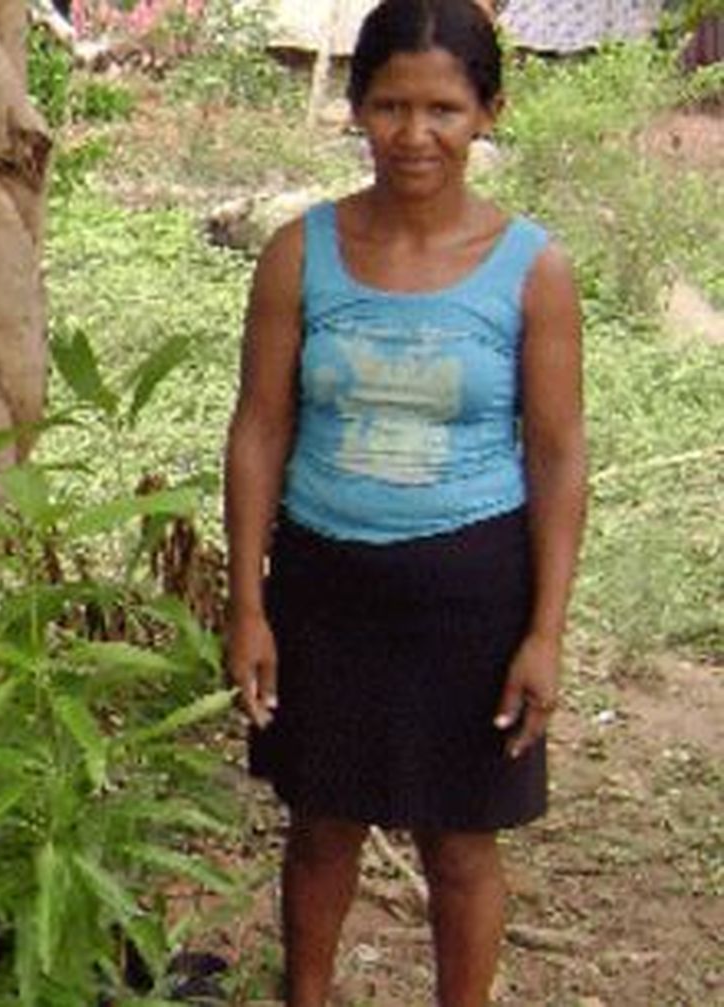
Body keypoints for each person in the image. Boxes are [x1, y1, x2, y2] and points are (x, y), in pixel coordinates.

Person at [221, 1, 586, 1004]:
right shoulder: (300, 254)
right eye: (389, 106)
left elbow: (558, 455)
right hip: (323, 586)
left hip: (471, 597)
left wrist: (545, 631)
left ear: (488, 113)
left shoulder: (532, 270)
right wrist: (247, 602)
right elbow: (259, 428)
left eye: (443, 109)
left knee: (460, 845)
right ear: (356, 109)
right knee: (321, 827)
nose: (414, 134)